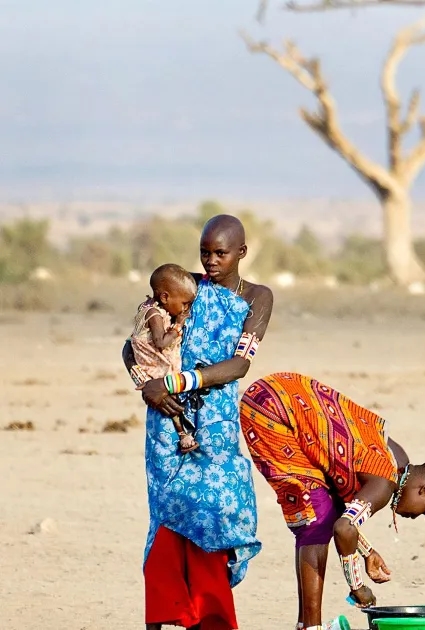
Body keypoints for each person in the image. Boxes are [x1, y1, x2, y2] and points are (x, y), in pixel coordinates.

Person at [122, 214, 275, 630]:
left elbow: (240, 364)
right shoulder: (182, 285)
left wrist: (173, 380)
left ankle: (211, 619)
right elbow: (132, 344)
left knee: (217, 513)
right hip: (167, 421)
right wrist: (145, 383)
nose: (211, 261)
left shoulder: (257, 297)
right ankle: (165, 616)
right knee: (170, 514)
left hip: (216, 423)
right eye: (205, 252)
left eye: (221, 253)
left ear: (242, 252)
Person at [239, 372, 425, 629]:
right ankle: (311, 627)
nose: (413, 517)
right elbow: (344, 528)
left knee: (321, 510)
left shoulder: (397, 459)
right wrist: (357, 585)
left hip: (280, 391)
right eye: (424, 512)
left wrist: (367, 552)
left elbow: (341, 507)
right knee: (314, 522)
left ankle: (306, 625)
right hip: (273, 412)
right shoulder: (386, 483)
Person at [129, 263, 200, 454]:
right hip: (153, 362)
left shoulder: (149, 307)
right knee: (171, 397)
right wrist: (178, 326)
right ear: (165, 297)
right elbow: (160, 342)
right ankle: (183, 436)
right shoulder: (154, 314)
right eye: (184, 304)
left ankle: (183, 433)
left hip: (147, 360)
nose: (186, 309)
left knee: (171, 398)